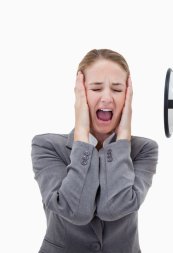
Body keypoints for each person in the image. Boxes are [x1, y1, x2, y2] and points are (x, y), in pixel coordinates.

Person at [31, 49, 158, 253]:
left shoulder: (144, 150)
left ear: (128, 97)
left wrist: (123, 136)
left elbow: (114, 207)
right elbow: (74, 211)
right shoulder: (46, 146)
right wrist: (82, 136)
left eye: (117, 90)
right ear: (80, 93)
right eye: (96, 88)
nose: (107, 98)